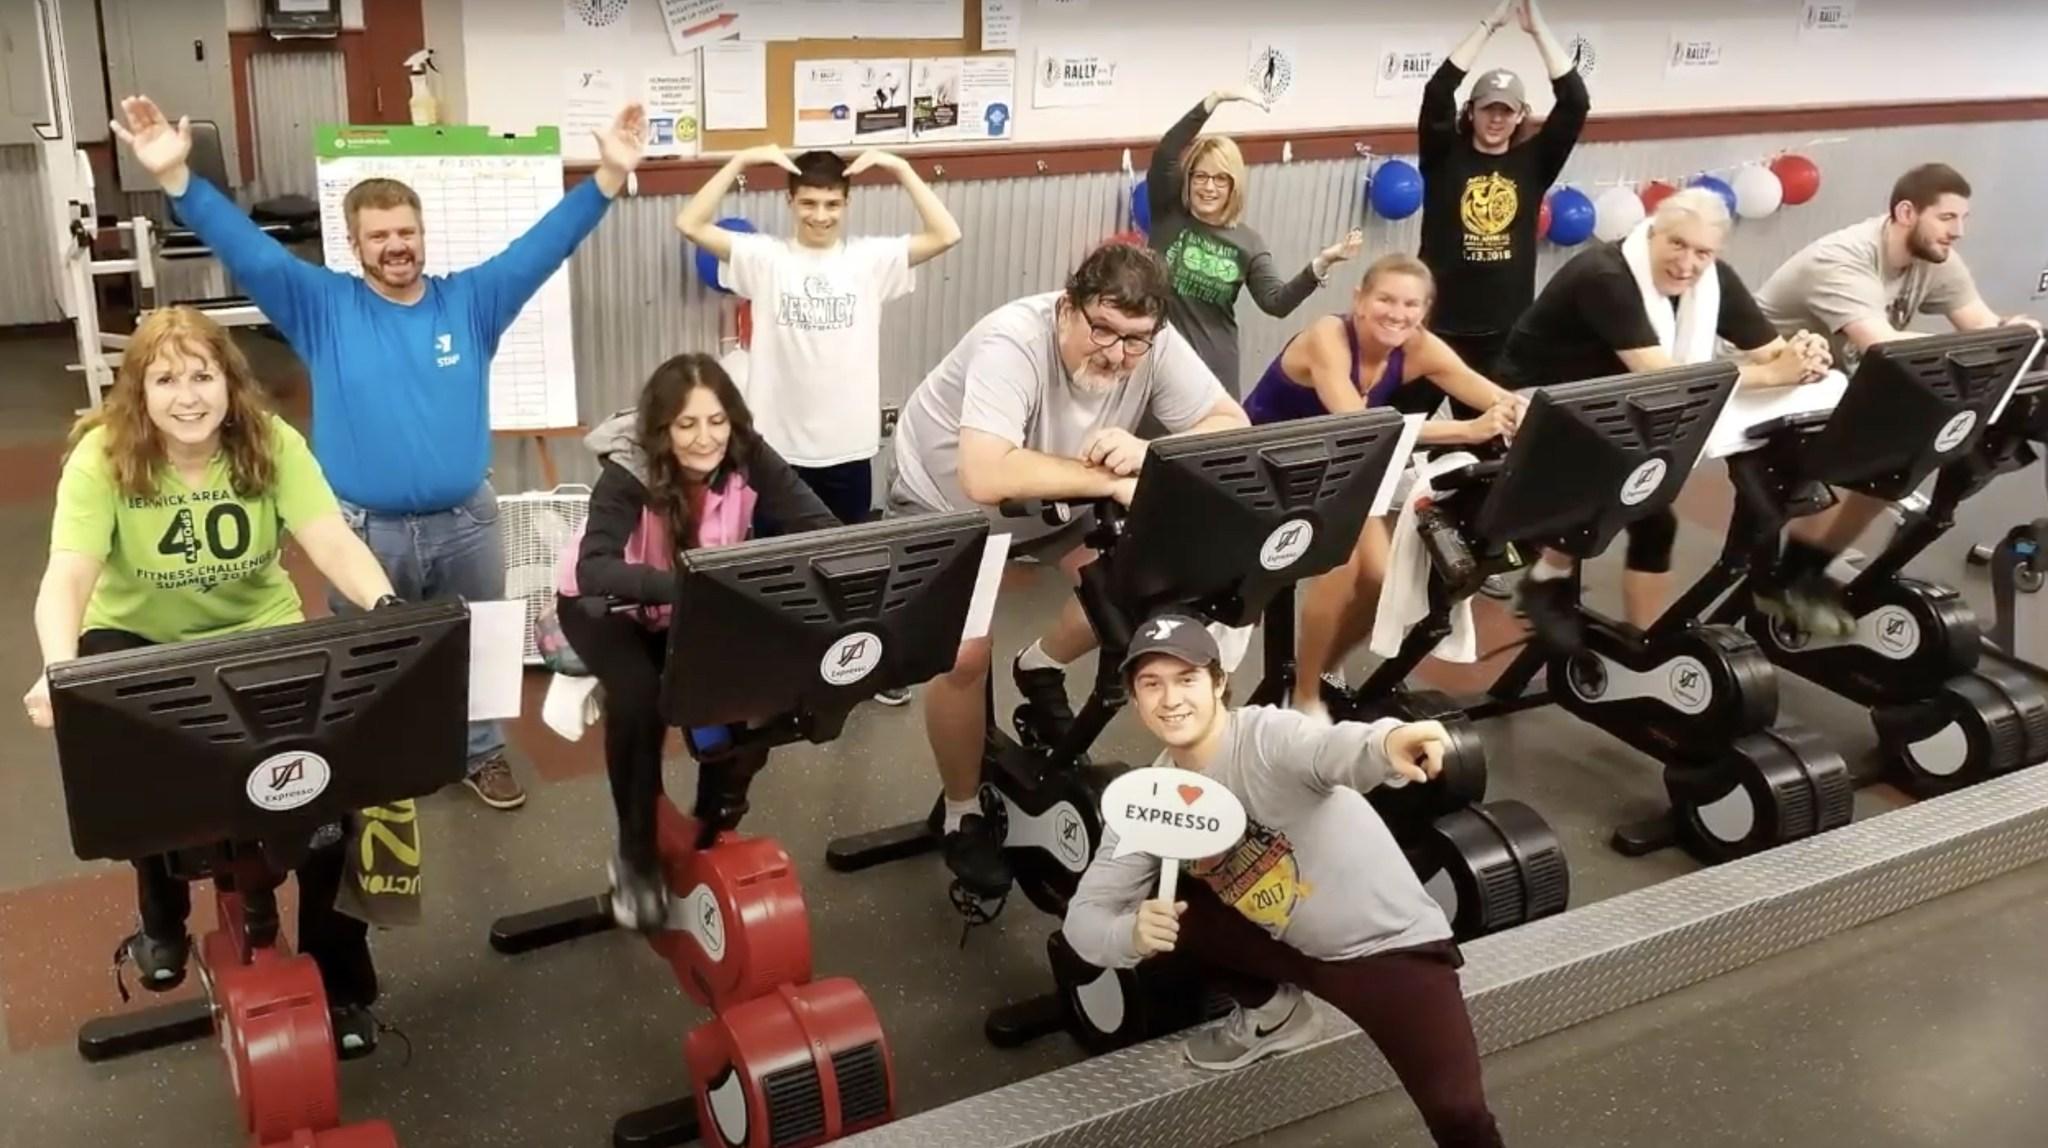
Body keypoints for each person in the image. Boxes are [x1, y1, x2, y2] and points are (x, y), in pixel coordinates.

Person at [109, 95, 651, 811]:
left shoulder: (473, 302)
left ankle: (479, 753)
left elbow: (544, 245)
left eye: (406, 231)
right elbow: (248, 251)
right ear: (355, 244)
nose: (396, 245)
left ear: (422, 235)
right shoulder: (322, 307)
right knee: (368, 664)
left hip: (468, 524)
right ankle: (377, 766)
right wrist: (180, 181)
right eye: (379, 235)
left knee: (476, 653)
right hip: (362, 533)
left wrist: (609, 177)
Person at [23, 307, 402, 1056]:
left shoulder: (270, 442)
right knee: (135, 762)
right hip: (137, 636)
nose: (187, 396)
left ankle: (342, 979)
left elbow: (328, 536)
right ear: (137, 390)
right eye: (165, 379)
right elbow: (67, 576)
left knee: (331, 809)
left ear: (231, 383)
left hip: (257, 630)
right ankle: (162, 913)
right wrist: (57, 668)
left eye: (202, 376)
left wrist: (387, 608)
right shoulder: (103, 456)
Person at [888, 243, 1248, 895]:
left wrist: (1150, 449)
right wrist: (1108, 482)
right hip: (948, 501)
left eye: (1135, 340)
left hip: (1060, 494)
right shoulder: (1013, 341)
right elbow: (984, 473)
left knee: (1134, 597)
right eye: (1100, 328)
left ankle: (1040, 664)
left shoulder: (1152, 344)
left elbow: (1229, 422)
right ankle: (964, 813)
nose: (1115, 352)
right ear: (1068, 307)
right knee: (965, 657)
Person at [1063, 616, 1503, 1148]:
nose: (1170, 699)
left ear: (1219, 684)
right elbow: (1083, 921)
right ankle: (1275, 1014)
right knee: (1166, 906)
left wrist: (1389, 743)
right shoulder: (1151, 799)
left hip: (1383, 953)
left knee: (1458, 1113)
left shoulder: (1266, 737)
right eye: (1151, 685)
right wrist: (1130, 936)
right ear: (1135, 701)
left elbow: (1333, 749)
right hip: (1284, 942)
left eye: (1186, 680)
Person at [555, 354, 837, 931]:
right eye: (686, 425)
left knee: (753, 695)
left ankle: (712, 823)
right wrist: (695, 588)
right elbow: (595, 570)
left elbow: (819, 528)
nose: (704, 438)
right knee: (639, 698)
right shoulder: (628, 471)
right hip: (608, 607)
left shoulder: (746, 454)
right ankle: (634, 857)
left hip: (696, 601)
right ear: (662, 429)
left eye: (716, 421)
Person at [1496, 188, 1833, 646]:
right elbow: (1661, 375)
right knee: (1648, 511)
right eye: (1677, 244)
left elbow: (1771, 350)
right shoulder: (1605, 275)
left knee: (1656, 516)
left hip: (1623, 404)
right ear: (1653, 234)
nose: (1687, 263)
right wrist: (1772, 371)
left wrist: (1805, 354)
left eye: (1702, 252)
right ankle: (1550, 581)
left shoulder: (1713, 281)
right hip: (1537, 405)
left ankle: (1645, 643)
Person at [1753, 163, 2045, 634]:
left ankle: (1804, 572)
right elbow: (1888, 352)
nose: (1959, 232)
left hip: (1836, 379)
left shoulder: (1935, 259)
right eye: (1947, 218)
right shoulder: (1844, 260)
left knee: (1896, 467)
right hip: (1768, 384)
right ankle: (1780, 580)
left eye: (1963, 219)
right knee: (1861, 453)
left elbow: (1980, 327)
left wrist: (2014, 334)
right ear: (1906, 212)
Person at [1244, 254, 1525, 715]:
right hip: (1270, 468)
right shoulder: (1327, 338)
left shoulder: (1418, 347)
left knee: (1378, 579)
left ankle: (1324, 670)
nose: (1398, 313)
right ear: (1359, 299)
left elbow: (1489, 393)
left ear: (1424, 312)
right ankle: (1305, 697)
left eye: (1411, 305)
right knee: (1344, 569)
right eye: (1386, 300)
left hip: (1336, 468)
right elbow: (1359, 423)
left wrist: (1529, 415)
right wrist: (1467, 431)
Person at [674, 146, 961, 530]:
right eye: (808, 203)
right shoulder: (764, 258)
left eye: (832, 204)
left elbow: (947, 233)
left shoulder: (870, 260)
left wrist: (900, 167)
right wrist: (740, 161)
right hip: (777, 449)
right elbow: (689, 223)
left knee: (844, 565)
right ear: (790, 200)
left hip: (848, 449)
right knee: (775, 566)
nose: (820, 215)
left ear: (847, 203)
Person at [1147, 85, 1363, 392]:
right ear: (1189, 179)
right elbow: (1166, 152)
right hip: (1155, 358)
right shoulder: (1168, 214)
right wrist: (1214, 100)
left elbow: (1276, 303)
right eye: (1201, 176)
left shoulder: (1248, 242)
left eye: (1221, 178)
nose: (1209, 187)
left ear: (1234, 186)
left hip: (1212, 367)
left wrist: (1322, 263)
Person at [1417, 0, 1589, 385]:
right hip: (1433, 327)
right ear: (1471, 111)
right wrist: (1488, 25)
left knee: (1488, 436)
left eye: (1506, 111)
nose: (1496, 119)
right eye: (1488, 109)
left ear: (1519, 115)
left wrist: (1538, 31)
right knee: (1404, 430)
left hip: (1501, 332)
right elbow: (1438, 90)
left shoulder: (1534, 162)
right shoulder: (1443, 157)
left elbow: (1575, 102)